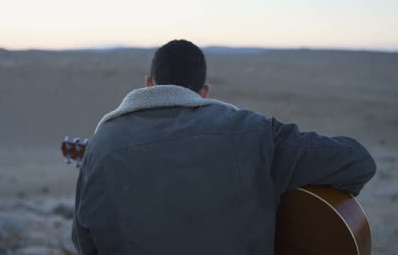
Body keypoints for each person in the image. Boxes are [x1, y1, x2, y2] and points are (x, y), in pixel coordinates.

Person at [71, 39, 376, 255]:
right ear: (203, 92)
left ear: (149, 84)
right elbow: (356, 162)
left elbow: (85, 242)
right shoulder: (254, 133)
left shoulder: (102, 145)